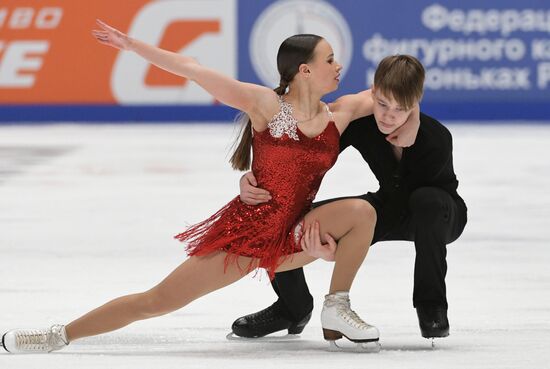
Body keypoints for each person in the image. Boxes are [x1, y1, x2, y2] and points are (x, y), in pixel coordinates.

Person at [1, 21, 419, 354]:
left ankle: (337, 306)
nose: (338, 66)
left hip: (295, 234)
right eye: (330, 59)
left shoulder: (339, 114)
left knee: (363, 212)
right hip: (249, 235)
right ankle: (56, 335)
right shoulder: (267, 106)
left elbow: (398, 91)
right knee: (156, 300)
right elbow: (193, 69)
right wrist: (132, 46)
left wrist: (412, 117)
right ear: (304, 70)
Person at [231, 55, 467, 341]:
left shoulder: (436, 138)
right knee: (284, 214)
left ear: (415, 103)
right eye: (382, 104)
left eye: (401, 109)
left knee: (426, 200)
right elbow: (305, 159)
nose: (388, 116)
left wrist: (343, 243)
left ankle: (432, 307)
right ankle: (293, 306)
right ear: (373, 91)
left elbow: (414, 202)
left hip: (440, 215)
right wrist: (255, 181)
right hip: (385, 205)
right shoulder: (361, 123)